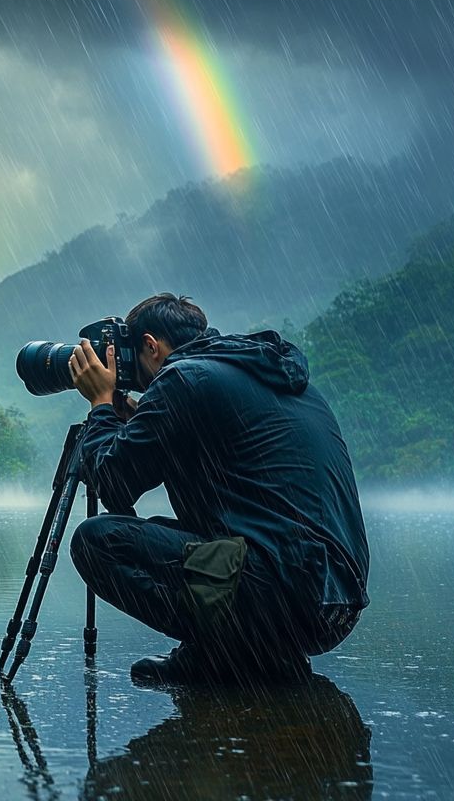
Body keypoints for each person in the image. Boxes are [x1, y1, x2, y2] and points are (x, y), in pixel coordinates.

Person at [66, 293, 369, 685]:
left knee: (98, 541)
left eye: (134, 366)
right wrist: (145, 418)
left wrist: (102, 405)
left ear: (151, 346)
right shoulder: (268, 373)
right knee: (168, 531)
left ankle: (223, 656)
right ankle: (228, 652)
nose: (136, 381)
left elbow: (114, 483)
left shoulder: (184, 378)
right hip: (334, 603)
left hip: (285, 594)